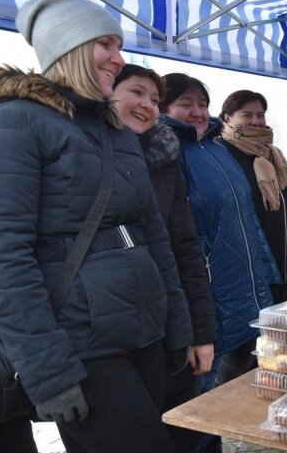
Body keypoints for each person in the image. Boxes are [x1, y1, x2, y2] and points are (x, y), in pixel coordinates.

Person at [0, 0, 192, 452]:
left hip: (144, 329)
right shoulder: (17, 122)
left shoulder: (118, 134)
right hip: (81, 346)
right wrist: (48, 371)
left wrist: (178, 328)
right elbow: (6, 256)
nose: (119, 59)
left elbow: (155, 239)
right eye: (105, 44)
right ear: (68, 48)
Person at [111, 64, 217, 453]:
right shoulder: (83, 155)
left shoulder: (163, 160)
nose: (146, 105)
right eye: (136, 93)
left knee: (188, 432)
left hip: (167, 326)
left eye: (154, 99)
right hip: (109, 339)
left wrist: (200, 332)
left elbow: (184, 249)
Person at [158, 74, 280, 394]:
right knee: (202, 389)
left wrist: (265, 272)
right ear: (162, 107)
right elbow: (174, 235)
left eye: (202, 104)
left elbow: (246, 215)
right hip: (207, 289)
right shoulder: (165, 152)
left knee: (240, 374)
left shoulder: (215, 148)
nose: (198, 112)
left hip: (245, 283)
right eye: (185, 104)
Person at [219, 90, 287, 303]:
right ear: (228, 118)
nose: (256, 121)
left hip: (284, 266)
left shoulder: (273, 155)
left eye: (260, 115)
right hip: (250, 272)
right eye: (247, 115)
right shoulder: (222, 154)